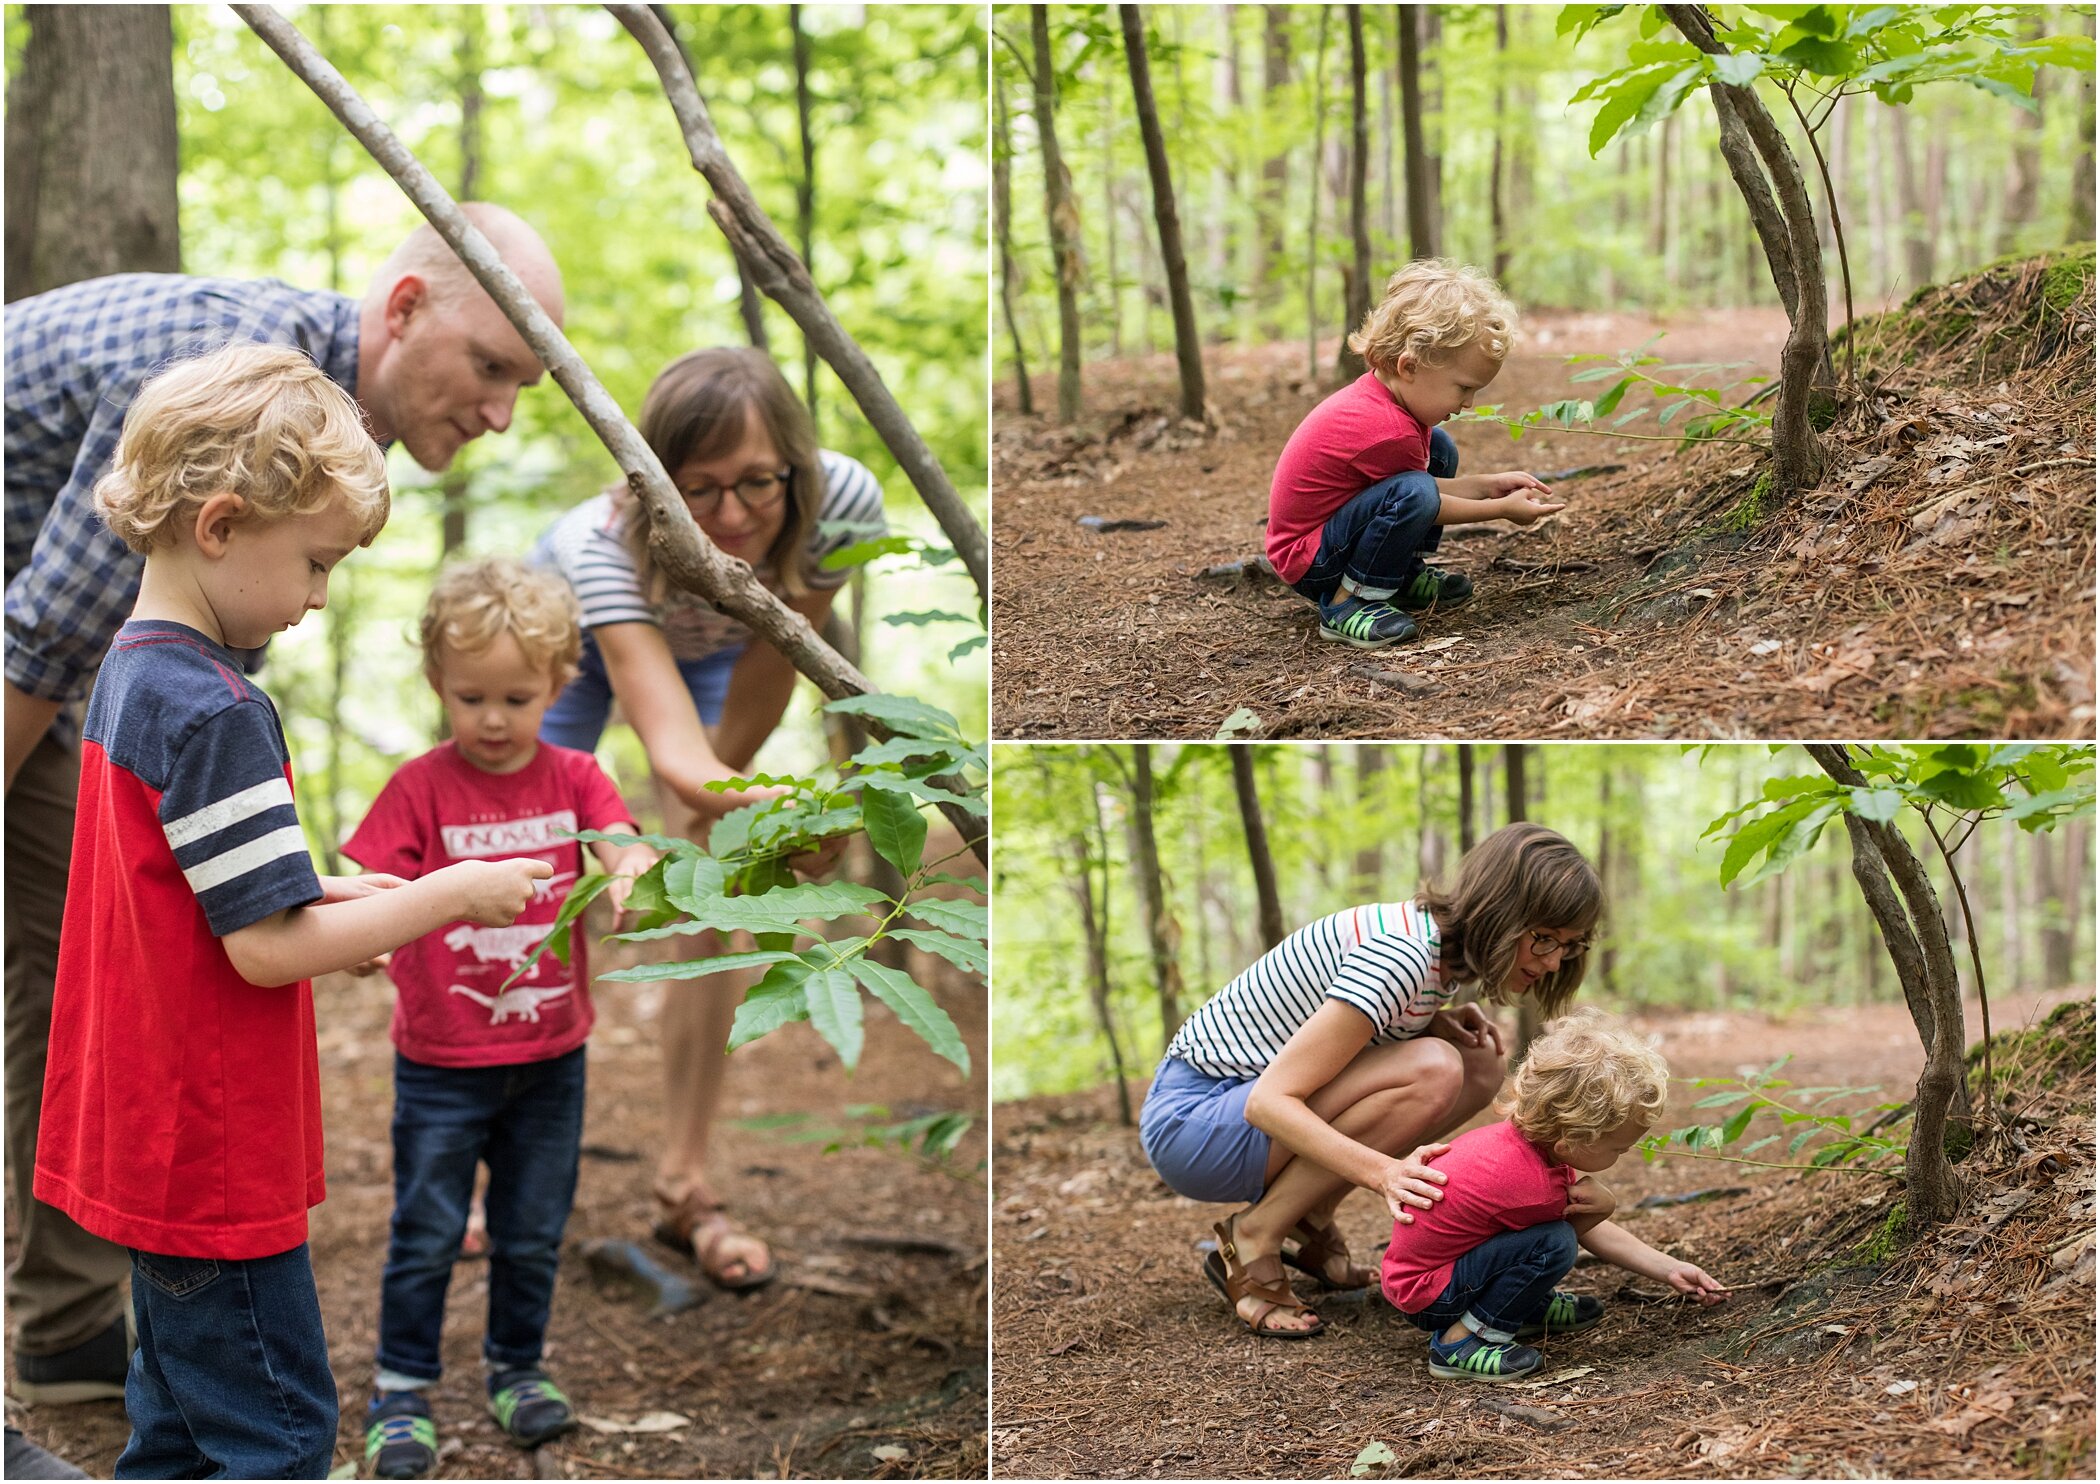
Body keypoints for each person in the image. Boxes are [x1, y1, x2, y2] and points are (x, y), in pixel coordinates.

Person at [3, 203, 563, 1406]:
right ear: (404, 310)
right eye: (493, 365)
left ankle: (68, 1325)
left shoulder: (233, 550)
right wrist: (428, 897)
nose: (504, 410)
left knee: (85, 949)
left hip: (59, 679)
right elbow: (39, 641)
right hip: (25, 666)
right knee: (61, 959)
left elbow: (217, 823)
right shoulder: (222, 412)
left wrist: (304, 883)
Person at [533, 346, 884, 1289]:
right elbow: (679, 763)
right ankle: (496, 1166)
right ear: (652, 483)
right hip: (587, 645)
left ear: (797, 469)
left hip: (725, 650)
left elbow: (768, 671)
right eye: (699, 492)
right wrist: (786, 809)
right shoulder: (600, 544)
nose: (730, 518)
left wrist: (733, 822)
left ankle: (683, 1180)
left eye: (756, 484)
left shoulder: (842, 505)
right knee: (529, 870)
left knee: (709, 889)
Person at [343, 559, 656, 1479]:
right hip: (442, 1060)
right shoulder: (421, 788)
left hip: (552, 1056)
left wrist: (629, 872)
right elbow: (375, 882)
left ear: (560, 686)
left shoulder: (574, 776)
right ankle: (402, 1388)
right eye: (468, 695)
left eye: (517, 697)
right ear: (437, 683)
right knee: (429, 1228)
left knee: (530, 1226)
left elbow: (619, 837)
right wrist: (360, 931)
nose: (491, 718)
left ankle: (517, 1364)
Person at [1138, 822, 1600, 1338]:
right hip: (1193, 1124)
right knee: (1434, 1067)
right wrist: (1383, 1173)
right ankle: (1255, 1234)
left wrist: (1430, 1019)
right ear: (1499, 911)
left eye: (1569, 945)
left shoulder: (1431, 957)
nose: (1554, 960)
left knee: (1478, 1062)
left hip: (1224, 1119)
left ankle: (1309, 1220)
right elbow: (1269, 1102)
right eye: (1542, 938)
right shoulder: (1401, 954)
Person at [1382, 1011, 1731, 1381]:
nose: (1623, 1156)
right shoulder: (1530, 1186)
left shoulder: (1523, 1142)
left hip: (1425, 1275)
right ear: (1573, 1141)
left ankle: (1521, 1306)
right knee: (1555, 1244)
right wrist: (1603, 1208)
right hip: (1431, 1295)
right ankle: (1461, 1342)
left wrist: (1671, 1268)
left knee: (1548, 1239)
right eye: (1619, 1149)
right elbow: (1572, 1234)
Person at [1266, 259, 1565, 650]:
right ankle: (1344, 605)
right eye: (1463, 388)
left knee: (1438, 447)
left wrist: (1488, 486)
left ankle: (1401, 576)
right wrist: (1501, 509)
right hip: (1311, 560)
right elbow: (1421, 498)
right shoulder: (1387, 429)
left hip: (1332, 533)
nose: (1470, 403)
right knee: (1419, 485)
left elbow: (1411, 487)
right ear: (1409, 366)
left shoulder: (1386, 398)